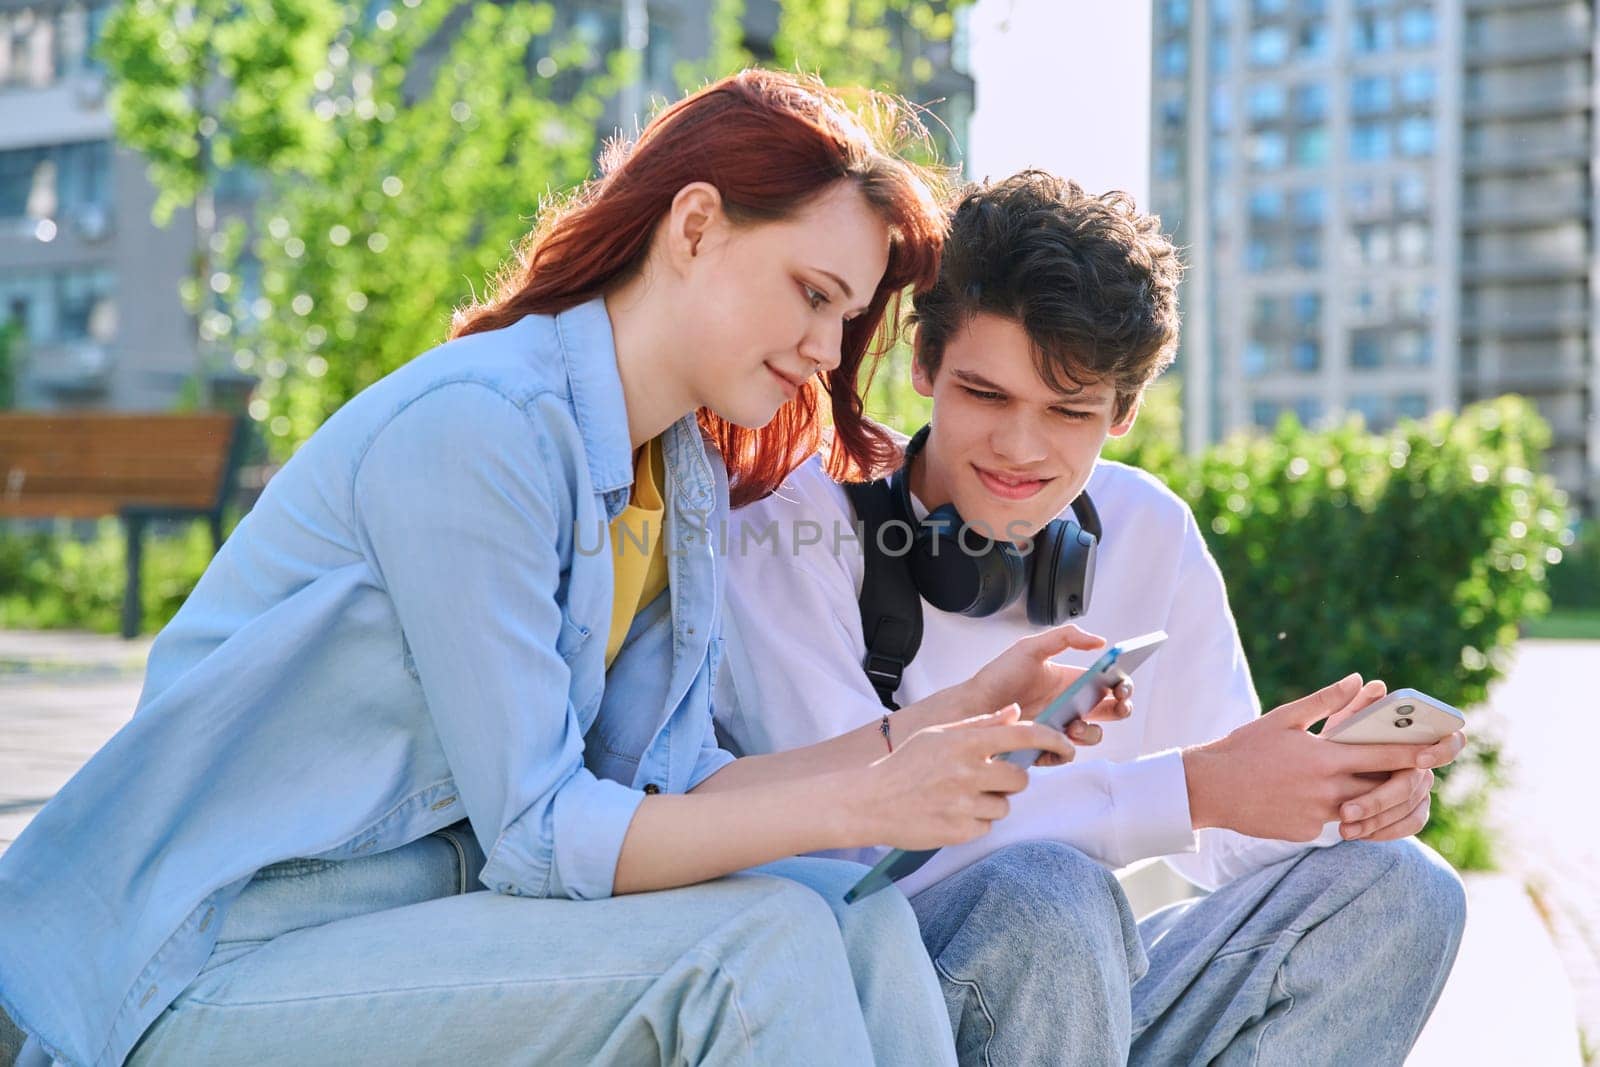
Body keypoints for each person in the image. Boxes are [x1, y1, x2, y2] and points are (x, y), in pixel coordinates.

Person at [0, 76, 1126, 1067]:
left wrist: (930, 729)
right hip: (203, 961)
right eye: (813, 293)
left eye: (847, 314)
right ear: (694, 227)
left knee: (855, 916)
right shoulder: (479, 428)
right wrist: (860, 798)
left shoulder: (672, 472)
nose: (829, 354)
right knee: (754, 947)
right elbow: (543, 834)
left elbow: (672, 790)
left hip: (414, 930)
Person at [716, 171, 1470, 1065]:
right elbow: (850, 840)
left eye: (1069, 411)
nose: (1021, 448)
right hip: (871, 1002)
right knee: (1048, 896)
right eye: (986, 395)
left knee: (1404, 890)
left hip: (1078, 1003)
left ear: (1124, 409)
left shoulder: (1149, 530)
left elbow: (1221, 845)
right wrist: (1189, 787)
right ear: (923, 367)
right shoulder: (792, 523)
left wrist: (1338, 799)